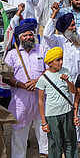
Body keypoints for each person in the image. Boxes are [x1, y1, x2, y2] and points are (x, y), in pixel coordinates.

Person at [3, 20, 49, 158]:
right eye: (25, 35)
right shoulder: (12, 55)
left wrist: (37, 81)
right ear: (19, 38)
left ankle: (45, 153)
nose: (29, 37)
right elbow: (5, 77)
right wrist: (22, 85)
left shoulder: (42, 49)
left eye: (30, 35)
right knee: (19, 132)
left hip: (40, 98)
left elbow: (50, 69)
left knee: (44, 129)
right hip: (21, 101)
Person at [37, 47, 79, 158]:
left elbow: (74, 91)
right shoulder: (43, 78)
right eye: (58, 60)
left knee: (70, 140)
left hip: (67, 112)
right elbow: (40, 100)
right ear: (50, 63)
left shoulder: (65, 71)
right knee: (55, 143)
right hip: (52, 115)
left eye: (61, 59)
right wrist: (43, 122)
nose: (61, 62)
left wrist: (67, 81)